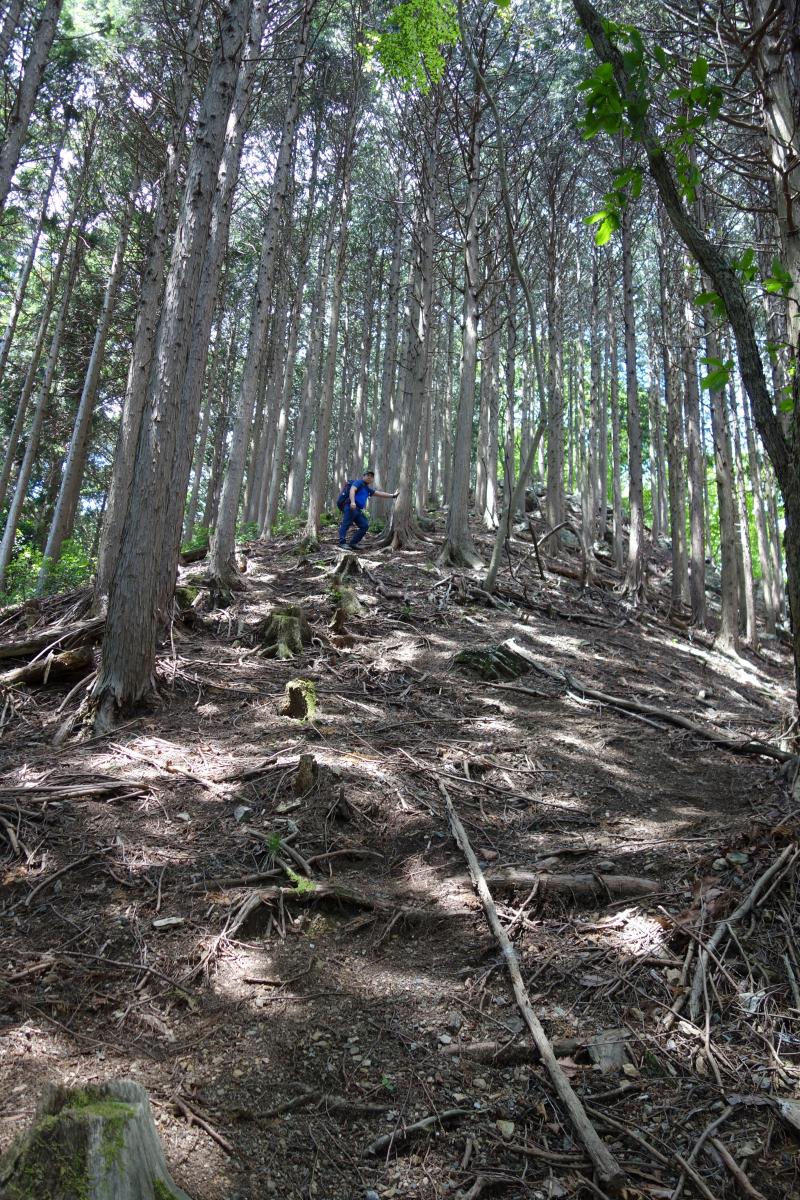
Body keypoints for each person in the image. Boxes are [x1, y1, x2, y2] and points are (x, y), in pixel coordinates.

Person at [338, 469, 398, 549]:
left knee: (364, 525)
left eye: (371, 476)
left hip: (358, 509)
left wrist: (393, 495)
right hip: (350, 506)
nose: (369, 477)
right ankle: (342, 543)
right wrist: (352, 502)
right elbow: (352, 490)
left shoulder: (367, 489)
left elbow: (379, 493)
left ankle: (353, 543)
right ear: (363, 476)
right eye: (368, 475)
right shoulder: (358, 482)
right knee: (346, 524)